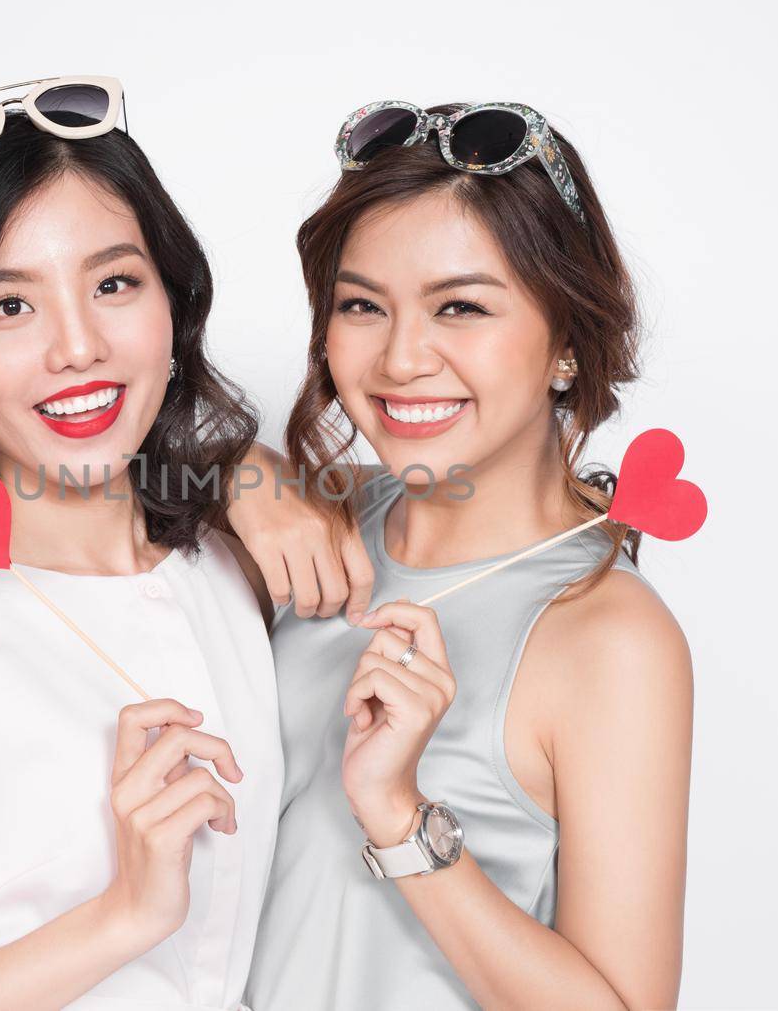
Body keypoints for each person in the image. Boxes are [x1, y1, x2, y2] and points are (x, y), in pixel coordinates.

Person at [0, 77, 362, 1011]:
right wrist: (124, 914)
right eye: (9, 306)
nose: (77, 346)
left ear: (174, 307)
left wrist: (251, 467)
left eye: (114, 283)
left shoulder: (237, 564)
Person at [246, 101, 694, 1010]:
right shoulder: (312, 520)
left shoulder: (606, 634)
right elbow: (70, 466)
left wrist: (400, 817)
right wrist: (236, 472)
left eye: (460, 306)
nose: (402, 358)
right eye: (363, 306)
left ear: (567, 341)